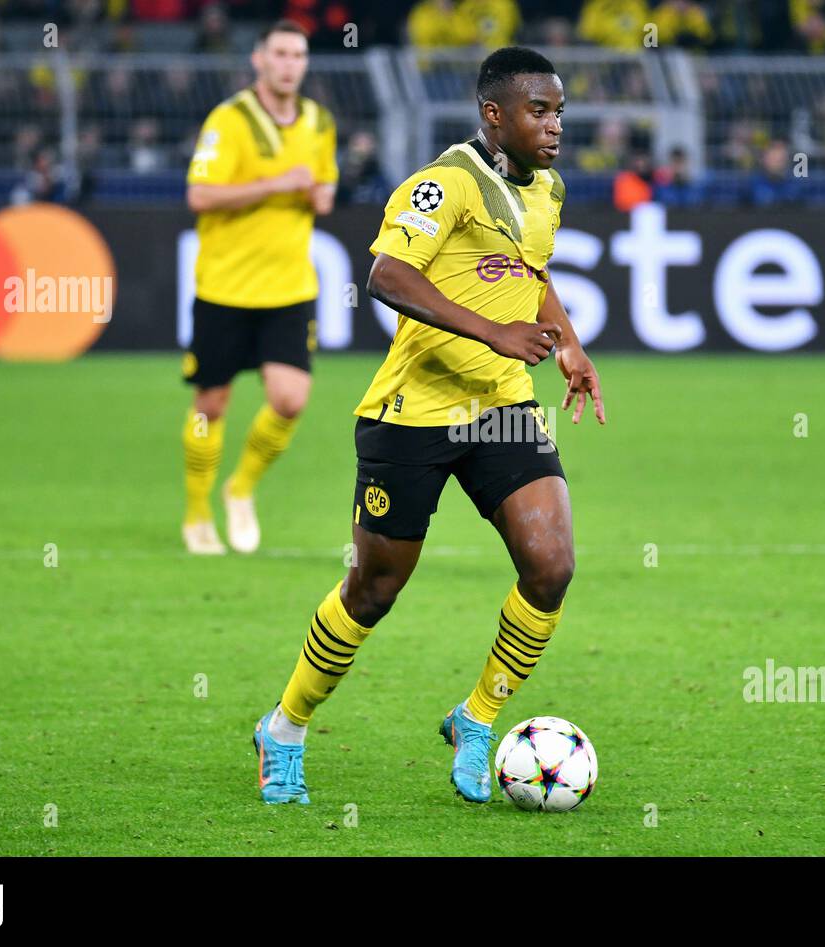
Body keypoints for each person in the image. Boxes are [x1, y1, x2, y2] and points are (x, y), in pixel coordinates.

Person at [253, 46, 605, 805]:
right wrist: (490, 330)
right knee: (374, 589)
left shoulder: (547, 190)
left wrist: (569, 344)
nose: (554, 127)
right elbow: (385, 274)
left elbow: (531, 274)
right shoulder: (443, 184)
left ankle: (477, 718)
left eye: (559, 113)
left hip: (503, 407)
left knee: (551, 564)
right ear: (493, 114)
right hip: (412, 415)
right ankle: (284, 726)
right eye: (538, 112)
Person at [181, 19, 338, 555]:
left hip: (289, 288)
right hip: (225, 287)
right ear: (259, 59)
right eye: (280, 53)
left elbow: (325, 185)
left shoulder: (318, 121)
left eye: (298, 55)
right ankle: (198, 511)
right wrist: (276, 183)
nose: (290, 64)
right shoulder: (229, 120)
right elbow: (199, 196)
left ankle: (240, 488)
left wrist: (320, 194)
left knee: (290, 400)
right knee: (212, 405)